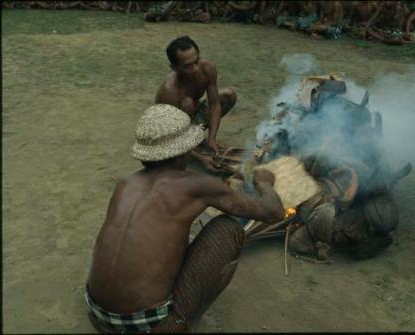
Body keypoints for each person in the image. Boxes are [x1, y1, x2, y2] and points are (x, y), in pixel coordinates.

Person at [86, 104, 285, 334]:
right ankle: (180, 321)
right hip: (148, 326)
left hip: (98, 314)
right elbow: (273, 212)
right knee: (227, 229)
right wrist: (265, 183)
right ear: (182, 151)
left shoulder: (125, 184)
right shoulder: (196, 185)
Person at [155, 36, 237, 157]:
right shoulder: (169, 92)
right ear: (174, 68)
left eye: (196, 61)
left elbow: (214, 104)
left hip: (193, 117)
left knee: (229, 95)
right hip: (171, 130)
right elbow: (169, 135)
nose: (195, 69)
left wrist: (212, 138)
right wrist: (200, 157)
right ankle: (194, 144)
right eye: (187, 66)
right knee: (187, 103)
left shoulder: (208, 68)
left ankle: (197, 139)